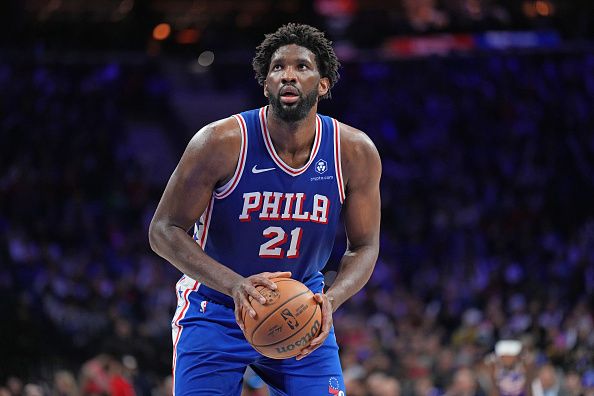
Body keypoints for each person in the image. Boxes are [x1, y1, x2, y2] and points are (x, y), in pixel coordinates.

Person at [148, 23, 381, 395]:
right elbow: (163, 230)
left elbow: (365, 246)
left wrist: (330, 300)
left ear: (323, 84)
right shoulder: (220, 142)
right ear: (266, 84)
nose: (288, 74)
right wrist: (235, 285)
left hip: (301, 307)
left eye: (302, 67)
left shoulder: (353, 152)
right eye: (278, 67)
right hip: (216, 307)